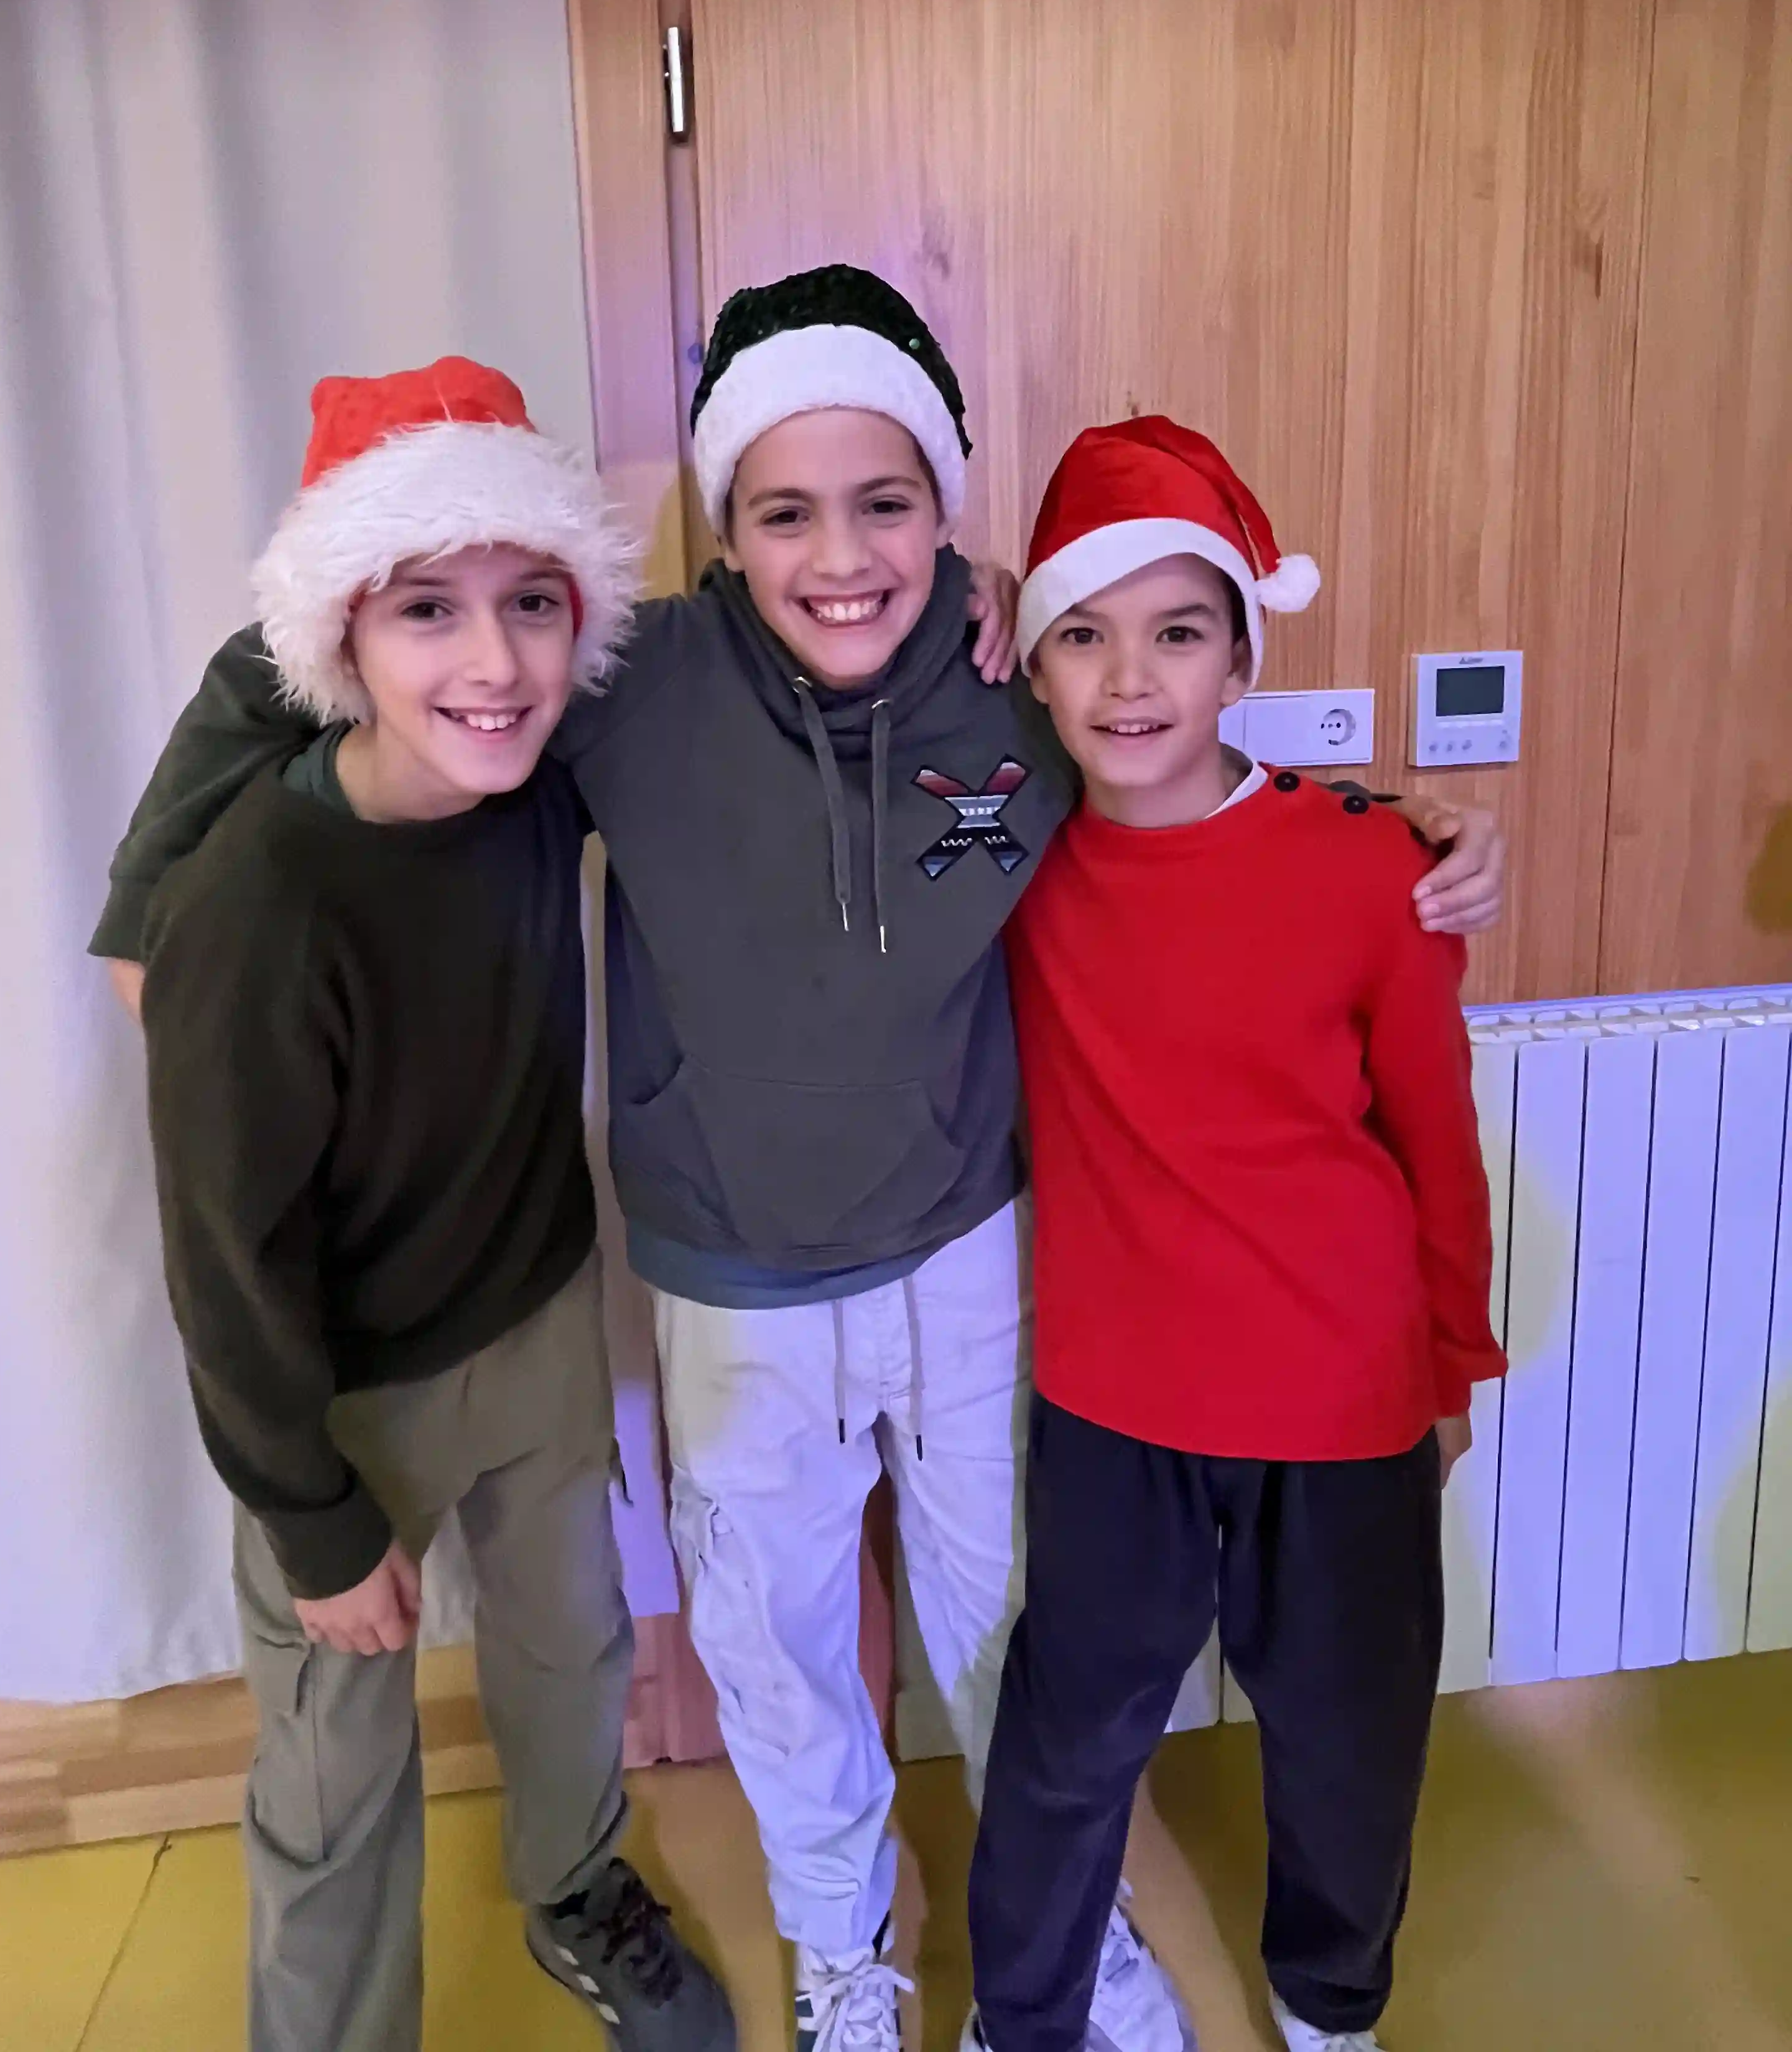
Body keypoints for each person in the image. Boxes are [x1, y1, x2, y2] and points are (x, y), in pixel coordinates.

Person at [93, 275, 1505, 2052]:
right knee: (778, 1653)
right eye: (784, 513)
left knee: (1015, 1637)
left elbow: (1187, 770)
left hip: (971, 1251)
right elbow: (377, 635)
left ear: (949, 520)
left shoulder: (1021, 692)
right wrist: (161, 884)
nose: (842, 557)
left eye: (886, 504)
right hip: (733, 1281)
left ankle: (1070, 1936)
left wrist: (1397, 820)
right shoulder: (623, 681)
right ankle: (847, 1949)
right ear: (724, 526)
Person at [128, 358, 733, 2052]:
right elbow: (224, 1265)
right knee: (334, 1769)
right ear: (341, 640)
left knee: (570, 1648)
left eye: (531, 603)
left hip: (532, 1315)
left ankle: (576, 1887)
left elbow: (763, 642)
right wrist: (313, 1519)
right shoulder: (256, 902)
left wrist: (982, 598)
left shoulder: (536, 771)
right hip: (341, 1391)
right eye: (426, 610)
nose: (494, 663)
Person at [965, 417, 1508, 2052]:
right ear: (1034, 667)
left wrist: (1453, 1364)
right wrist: (962, 594)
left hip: (1344, 1398)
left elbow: (1436, 1140)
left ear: (1240, 658)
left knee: (1350, 1741)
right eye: (1083, 635)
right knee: (1068, 1740)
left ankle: (1331, 2004)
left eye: (1178, 633)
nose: (1132, 678)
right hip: (1116, 1405)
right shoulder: (1008, 866)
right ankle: (1027, 2016)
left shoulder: (1372, 867)